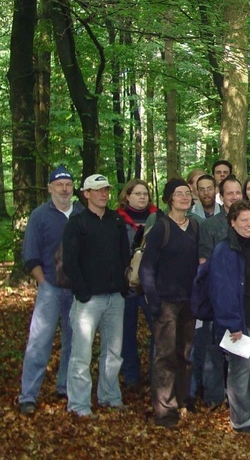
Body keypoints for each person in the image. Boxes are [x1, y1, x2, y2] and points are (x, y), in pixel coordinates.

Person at [18, 166, 84, 416]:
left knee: (73, 341)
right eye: (60, 185)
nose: (65, 189)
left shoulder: (81, 213)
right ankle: (28, 396)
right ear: (50, 188)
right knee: (39, 342)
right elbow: (30, 255)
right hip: (50, 289)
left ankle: (65, 387)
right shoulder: (40, 215)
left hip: (77, 290)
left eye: (68, 184)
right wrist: (43, 282)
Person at [63, 174, 130, 418]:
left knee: (113, 353)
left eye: (106, 190)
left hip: (115, 298)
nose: (103, 194)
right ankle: (79, 404)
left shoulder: (115, 221)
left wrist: (123, 285)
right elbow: (70, 262)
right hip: (88, 300)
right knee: (81, 354)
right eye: (98, 190)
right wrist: (82, 292)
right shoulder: (77, 222)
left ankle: (110, 397)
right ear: (86, 194)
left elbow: (125, 255)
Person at [208, 200, 250, 434]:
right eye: (243, 220)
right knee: (240, 369)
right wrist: (232, 323)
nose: (248, 224)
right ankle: (241, 420)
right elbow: (222, 290)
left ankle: (248, 408)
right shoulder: (225, 251)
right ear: (232, 222)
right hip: (240, 322)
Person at [139, 179, 200, 428]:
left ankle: (183, 398)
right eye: (179, 194)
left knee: (184, 354)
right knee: (164, 355)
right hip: (166, 303)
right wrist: (154, 301)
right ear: (169, 198)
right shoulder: (160, 228)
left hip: (189, 301)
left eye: (187, 193)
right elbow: (146, 268)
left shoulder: (194, 226)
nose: (184, 197)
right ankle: (165, 409)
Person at [196, 176, 243, 409]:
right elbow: (204, 262)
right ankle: (214, 395)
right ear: (221, 196)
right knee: (213, 347)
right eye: (229, 193)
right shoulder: (211, 226)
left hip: (241, 296)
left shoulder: (248, 223)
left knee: (238, 347)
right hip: (215, 293)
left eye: (237, 193)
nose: (234, 197)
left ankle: (236, 397)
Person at [117, 179, 158, 392]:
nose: (142, 197)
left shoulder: (158, 218)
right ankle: (130, 376)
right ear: (127, 196)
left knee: (158, 330)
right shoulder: (117, 220)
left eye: (145, 193)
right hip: (126, 285)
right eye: (137, 193)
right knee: (126, 331)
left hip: (150, 284)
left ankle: (155, 375)